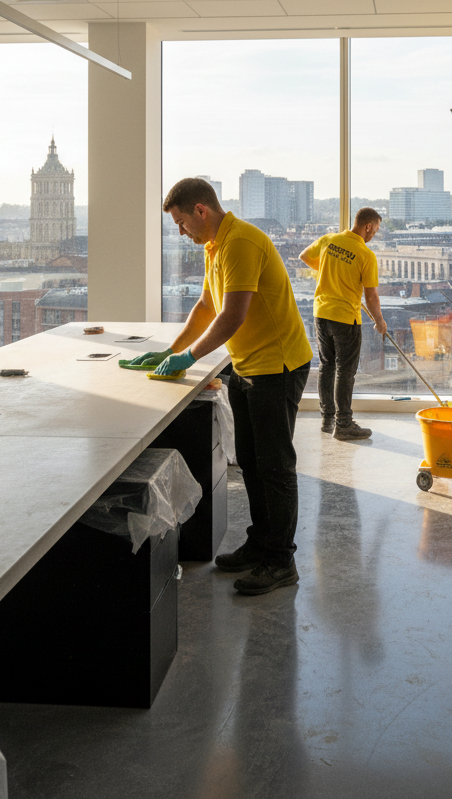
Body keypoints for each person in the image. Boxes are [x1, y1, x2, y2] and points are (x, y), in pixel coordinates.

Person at [135, 178, 313, 596]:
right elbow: (206, 306)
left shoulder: (241, 243)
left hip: (278, 365)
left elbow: (232, 316)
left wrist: (189, 359)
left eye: (181, 223)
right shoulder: (216, 246)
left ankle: (280, 560)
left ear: (201, 210)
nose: (181, 233)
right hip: (248, 365)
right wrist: (169, 350)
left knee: (275, 466)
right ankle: (261, 544)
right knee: (250, 461)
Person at [298, 207, 387, 441]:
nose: (373, 236)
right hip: (345, 317)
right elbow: (371, 297)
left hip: (321, 313)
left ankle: (327, 420)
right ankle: (344, 424)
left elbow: (304, 256)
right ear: (367, 226)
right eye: (374, 231)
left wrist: (330, 270)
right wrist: (380, 321)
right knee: (345, 372)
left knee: (327, 366)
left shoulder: (330, 239)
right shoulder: (365, 255)